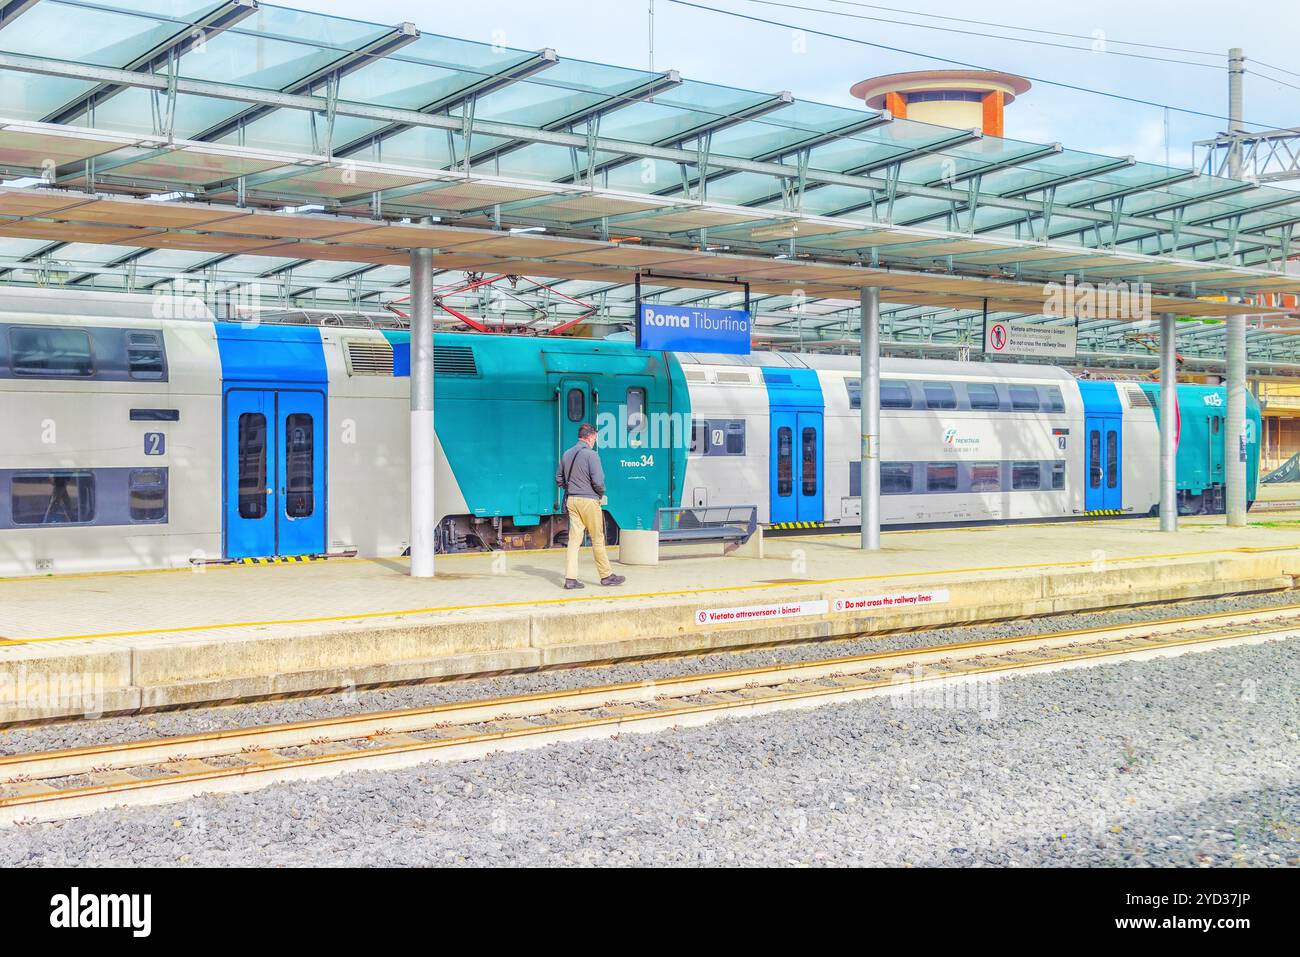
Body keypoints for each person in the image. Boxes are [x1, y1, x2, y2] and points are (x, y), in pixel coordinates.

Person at [556, 423, 625, 590]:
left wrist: (572, 488)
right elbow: (598, 481)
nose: (595, 440)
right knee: (597, 539)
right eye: (595, 437)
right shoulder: (591, 455)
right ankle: (606, 576)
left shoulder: (566, 454)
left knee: (574, 541)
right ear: (590, 437)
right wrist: (599, 494)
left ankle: (570, 579)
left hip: (572, 501)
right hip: (589, 501)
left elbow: (559, 479)